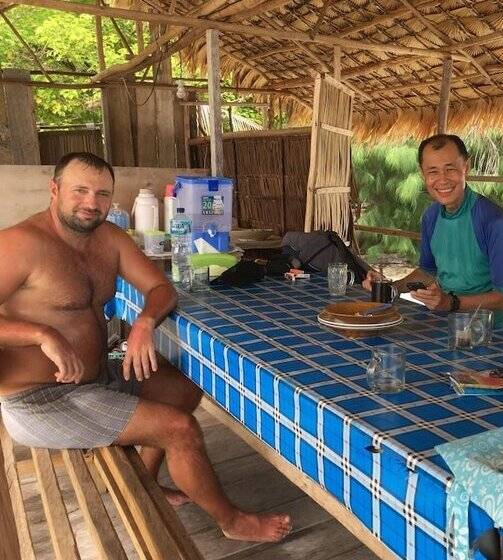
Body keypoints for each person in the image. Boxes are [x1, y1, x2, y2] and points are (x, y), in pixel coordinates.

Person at [0, 152, 291, 542]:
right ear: (54, 190)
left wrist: (144, 322)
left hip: (98, 375)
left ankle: (147, 480)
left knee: (184, 387)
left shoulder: (109, 239)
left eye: (102, 194)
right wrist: (41, 334)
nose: (91, 203)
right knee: (179, 429)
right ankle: (232, 521)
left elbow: (161, 288)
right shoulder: (19, 244)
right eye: (80, 191)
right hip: (41, 398)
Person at [366, 134, 503, 328]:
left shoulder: (494, 220)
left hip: (486, 333)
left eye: (450, 169)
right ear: (422, 174)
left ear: (466, 167)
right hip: (440, 322)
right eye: (433, 171)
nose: (442, 179)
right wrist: (389, 288)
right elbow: (428, 272)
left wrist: (450, 303)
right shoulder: (431, 216)